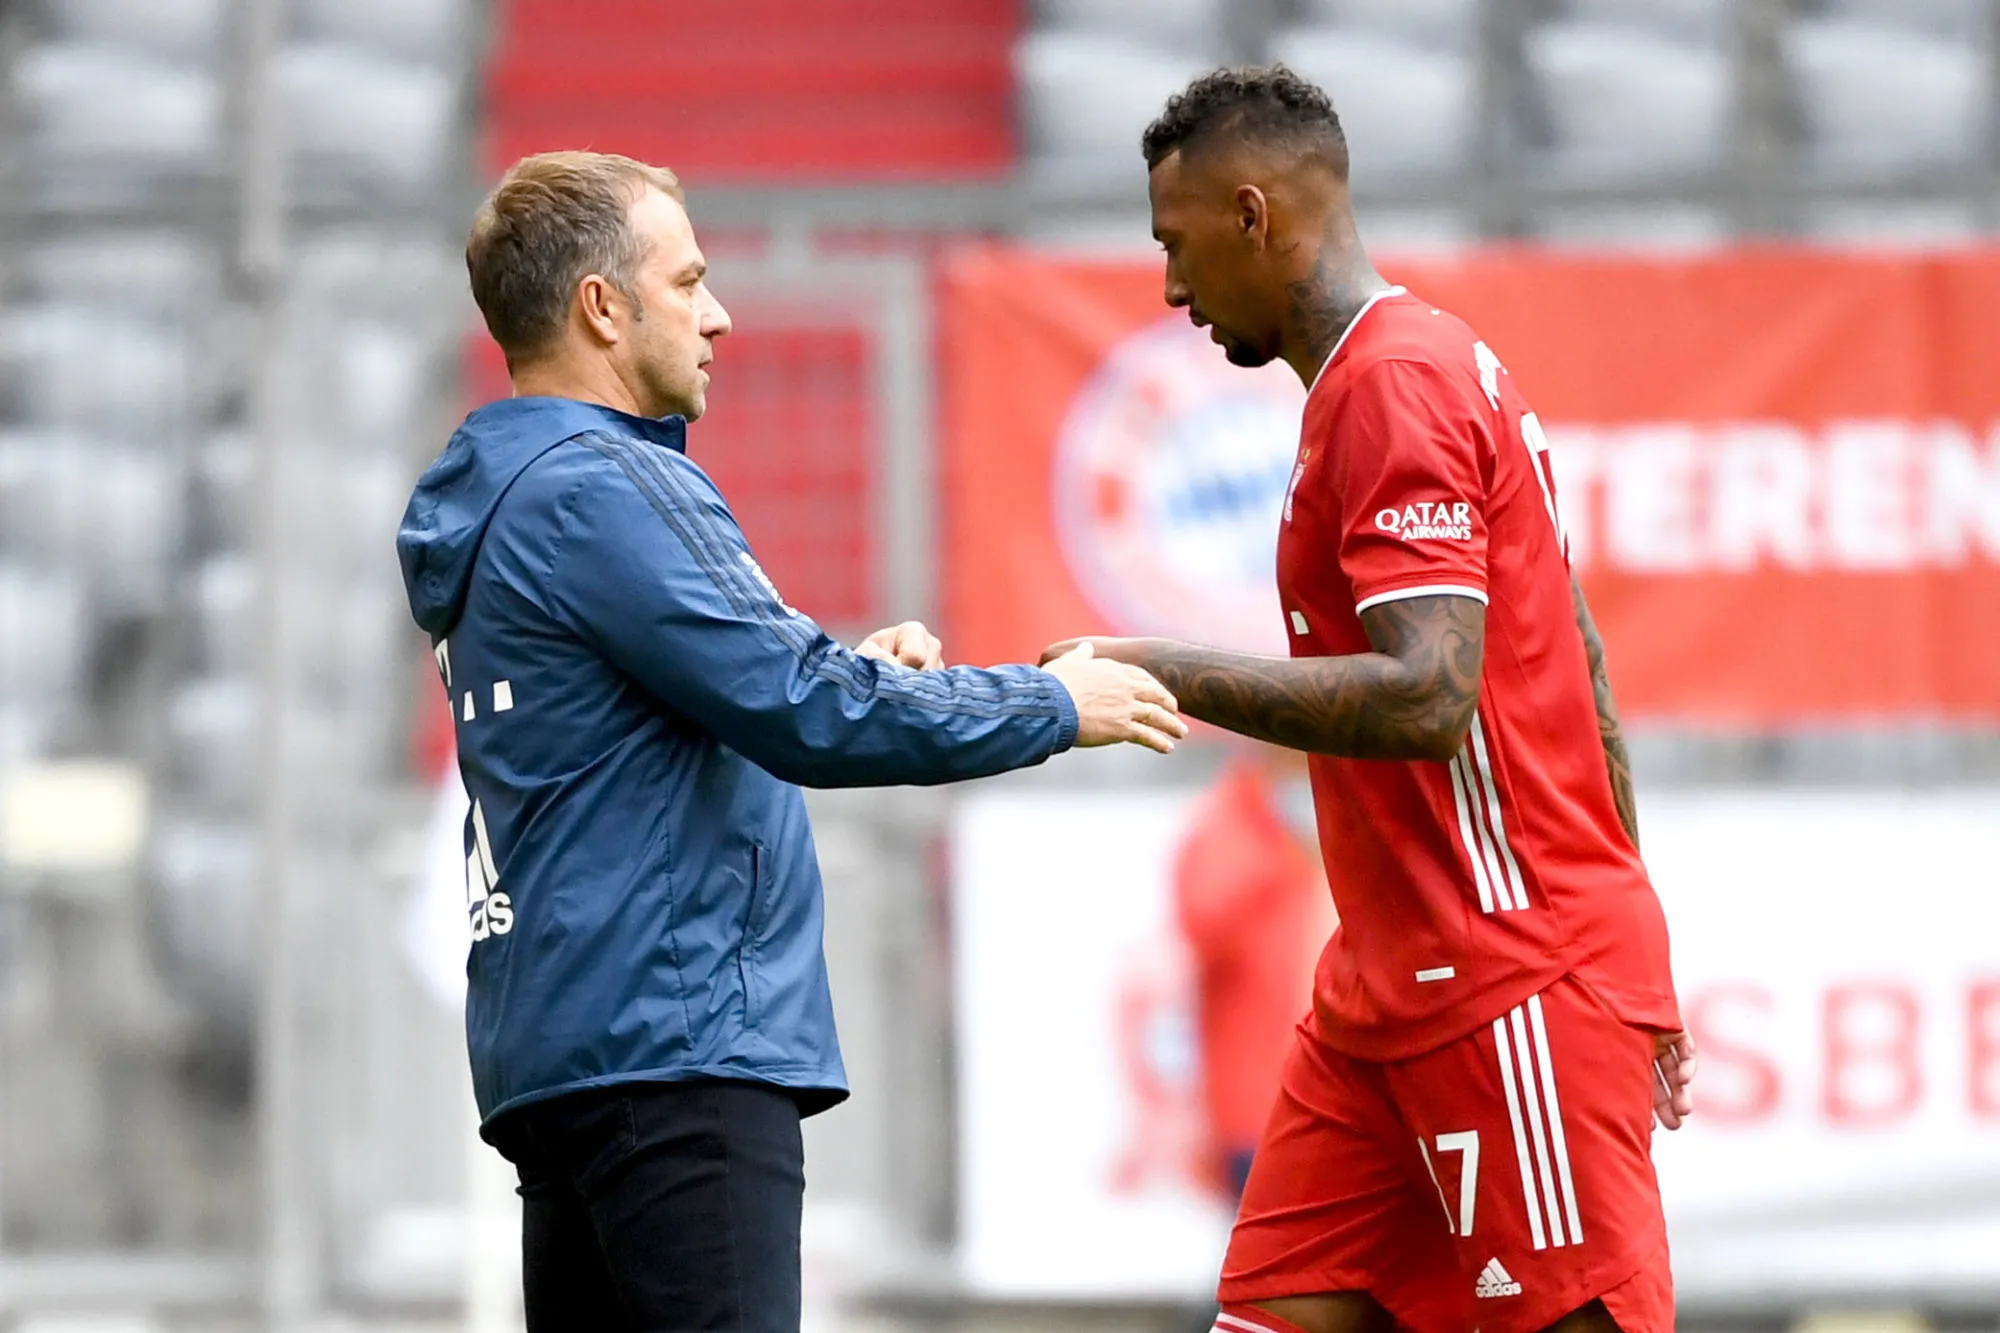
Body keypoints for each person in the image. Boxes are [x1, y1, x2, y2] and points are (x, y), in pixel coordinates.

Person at [394, 150, 1188, 1332]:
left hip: (570, 1054)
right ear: (601, 308)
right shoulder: (603, 487)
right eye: (687, 279)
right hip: (673, 1054)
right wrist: (1050, 705)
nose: (716, 314)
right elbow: (805, 710)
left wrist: (846, 674)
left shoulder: (509, 495)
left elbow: (689, 717)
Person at [1040, 69, 1698, 1333]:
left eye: (1175, 247)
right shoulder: (1388, 376)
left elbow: (1426, 698)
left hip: (1504, 982)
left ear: (1251, 215)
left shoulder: (1397, 383)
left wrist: (1155, 665)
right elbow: (1586, 663)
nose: (1171, 290)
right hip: (1384, 1000)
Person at [1172, 745, 1332, 1200]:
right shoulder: (1231, 823)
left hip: (1327, 1099)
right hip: (1258, 1105)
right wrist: (1285, 855)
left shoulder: (1324, 822)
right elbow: (1202, 919)